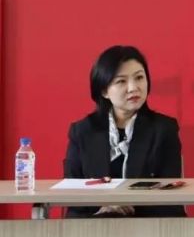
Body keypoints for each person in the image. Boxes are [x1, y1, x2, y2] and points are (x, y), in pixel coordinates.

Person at [64, 45, 185, 218]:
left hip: (150, 227)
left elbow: (170, 196)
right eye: (121, 81)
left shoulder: (164, 129)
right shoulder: (83, 132)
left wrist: (125, 205)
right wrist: (103, 210)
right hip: (95, 226)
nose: (133, 88)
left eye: (139, 78)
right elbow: (71, 196)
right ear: (104, 91)